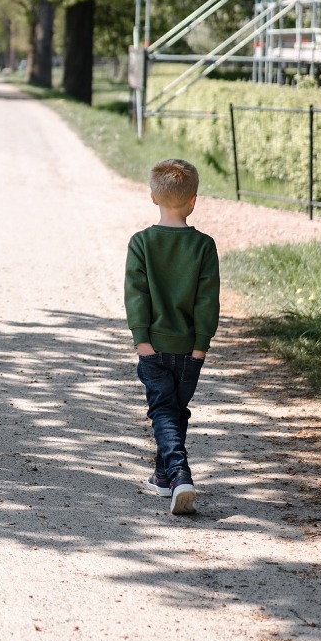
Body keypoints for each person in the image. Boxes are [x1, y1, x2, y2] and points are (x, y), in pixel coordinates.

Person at [125, 158, 219, 516]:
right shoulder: (203, 246)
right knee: (174, 411)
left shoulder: (142, 243)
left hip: (153, 347)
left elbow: (136, 295)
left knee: (165, 412)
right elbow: (207, 301)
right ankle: (164, 477)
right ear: (194, 200)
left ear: (153, 197)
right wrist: (200, 346)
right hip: (188, 351)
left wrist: (141, 340)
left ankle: (178, 474)